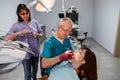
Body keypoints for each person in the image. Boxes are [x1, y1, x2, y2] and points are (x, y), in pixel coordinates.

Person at [5, 4, 43, 80]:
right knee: (27, 73)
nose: (25, 15)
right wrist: (19, 32)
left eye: (27, 13)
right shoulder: (16, 26)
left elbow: (41, 34)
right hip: (25, 54)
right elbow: (7, 38)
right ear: (19, 14)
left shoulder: (35, 22)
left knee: (35, 70)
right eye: (23, 14)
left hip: (35, 51)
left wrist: (38, 35)